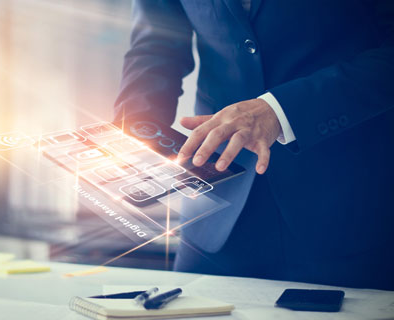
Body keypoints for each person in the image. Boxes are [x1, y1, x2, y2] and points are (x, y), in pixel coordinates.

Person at [114, 0, 394, 290]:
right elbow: (156, 47)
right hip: (214, 214)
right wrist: (133, 132)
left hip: (349, 210)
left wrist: (281, 110)